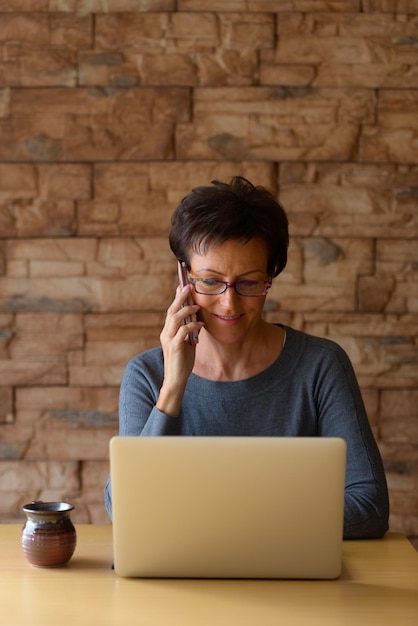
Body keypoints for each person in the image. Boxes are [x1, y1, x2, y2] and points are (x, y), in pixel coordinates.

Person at [105, 176, 389, 539]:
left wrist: (231, 526)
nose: (229, 302)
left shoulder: (320, 366)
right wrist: (173, 386)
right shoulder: (147, 374)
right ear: (183, 276)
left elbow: (370, 505)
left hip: (293, 584)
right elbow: (125, 509)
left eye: (250, 283)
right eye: (209, 281)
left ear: (271, 274)